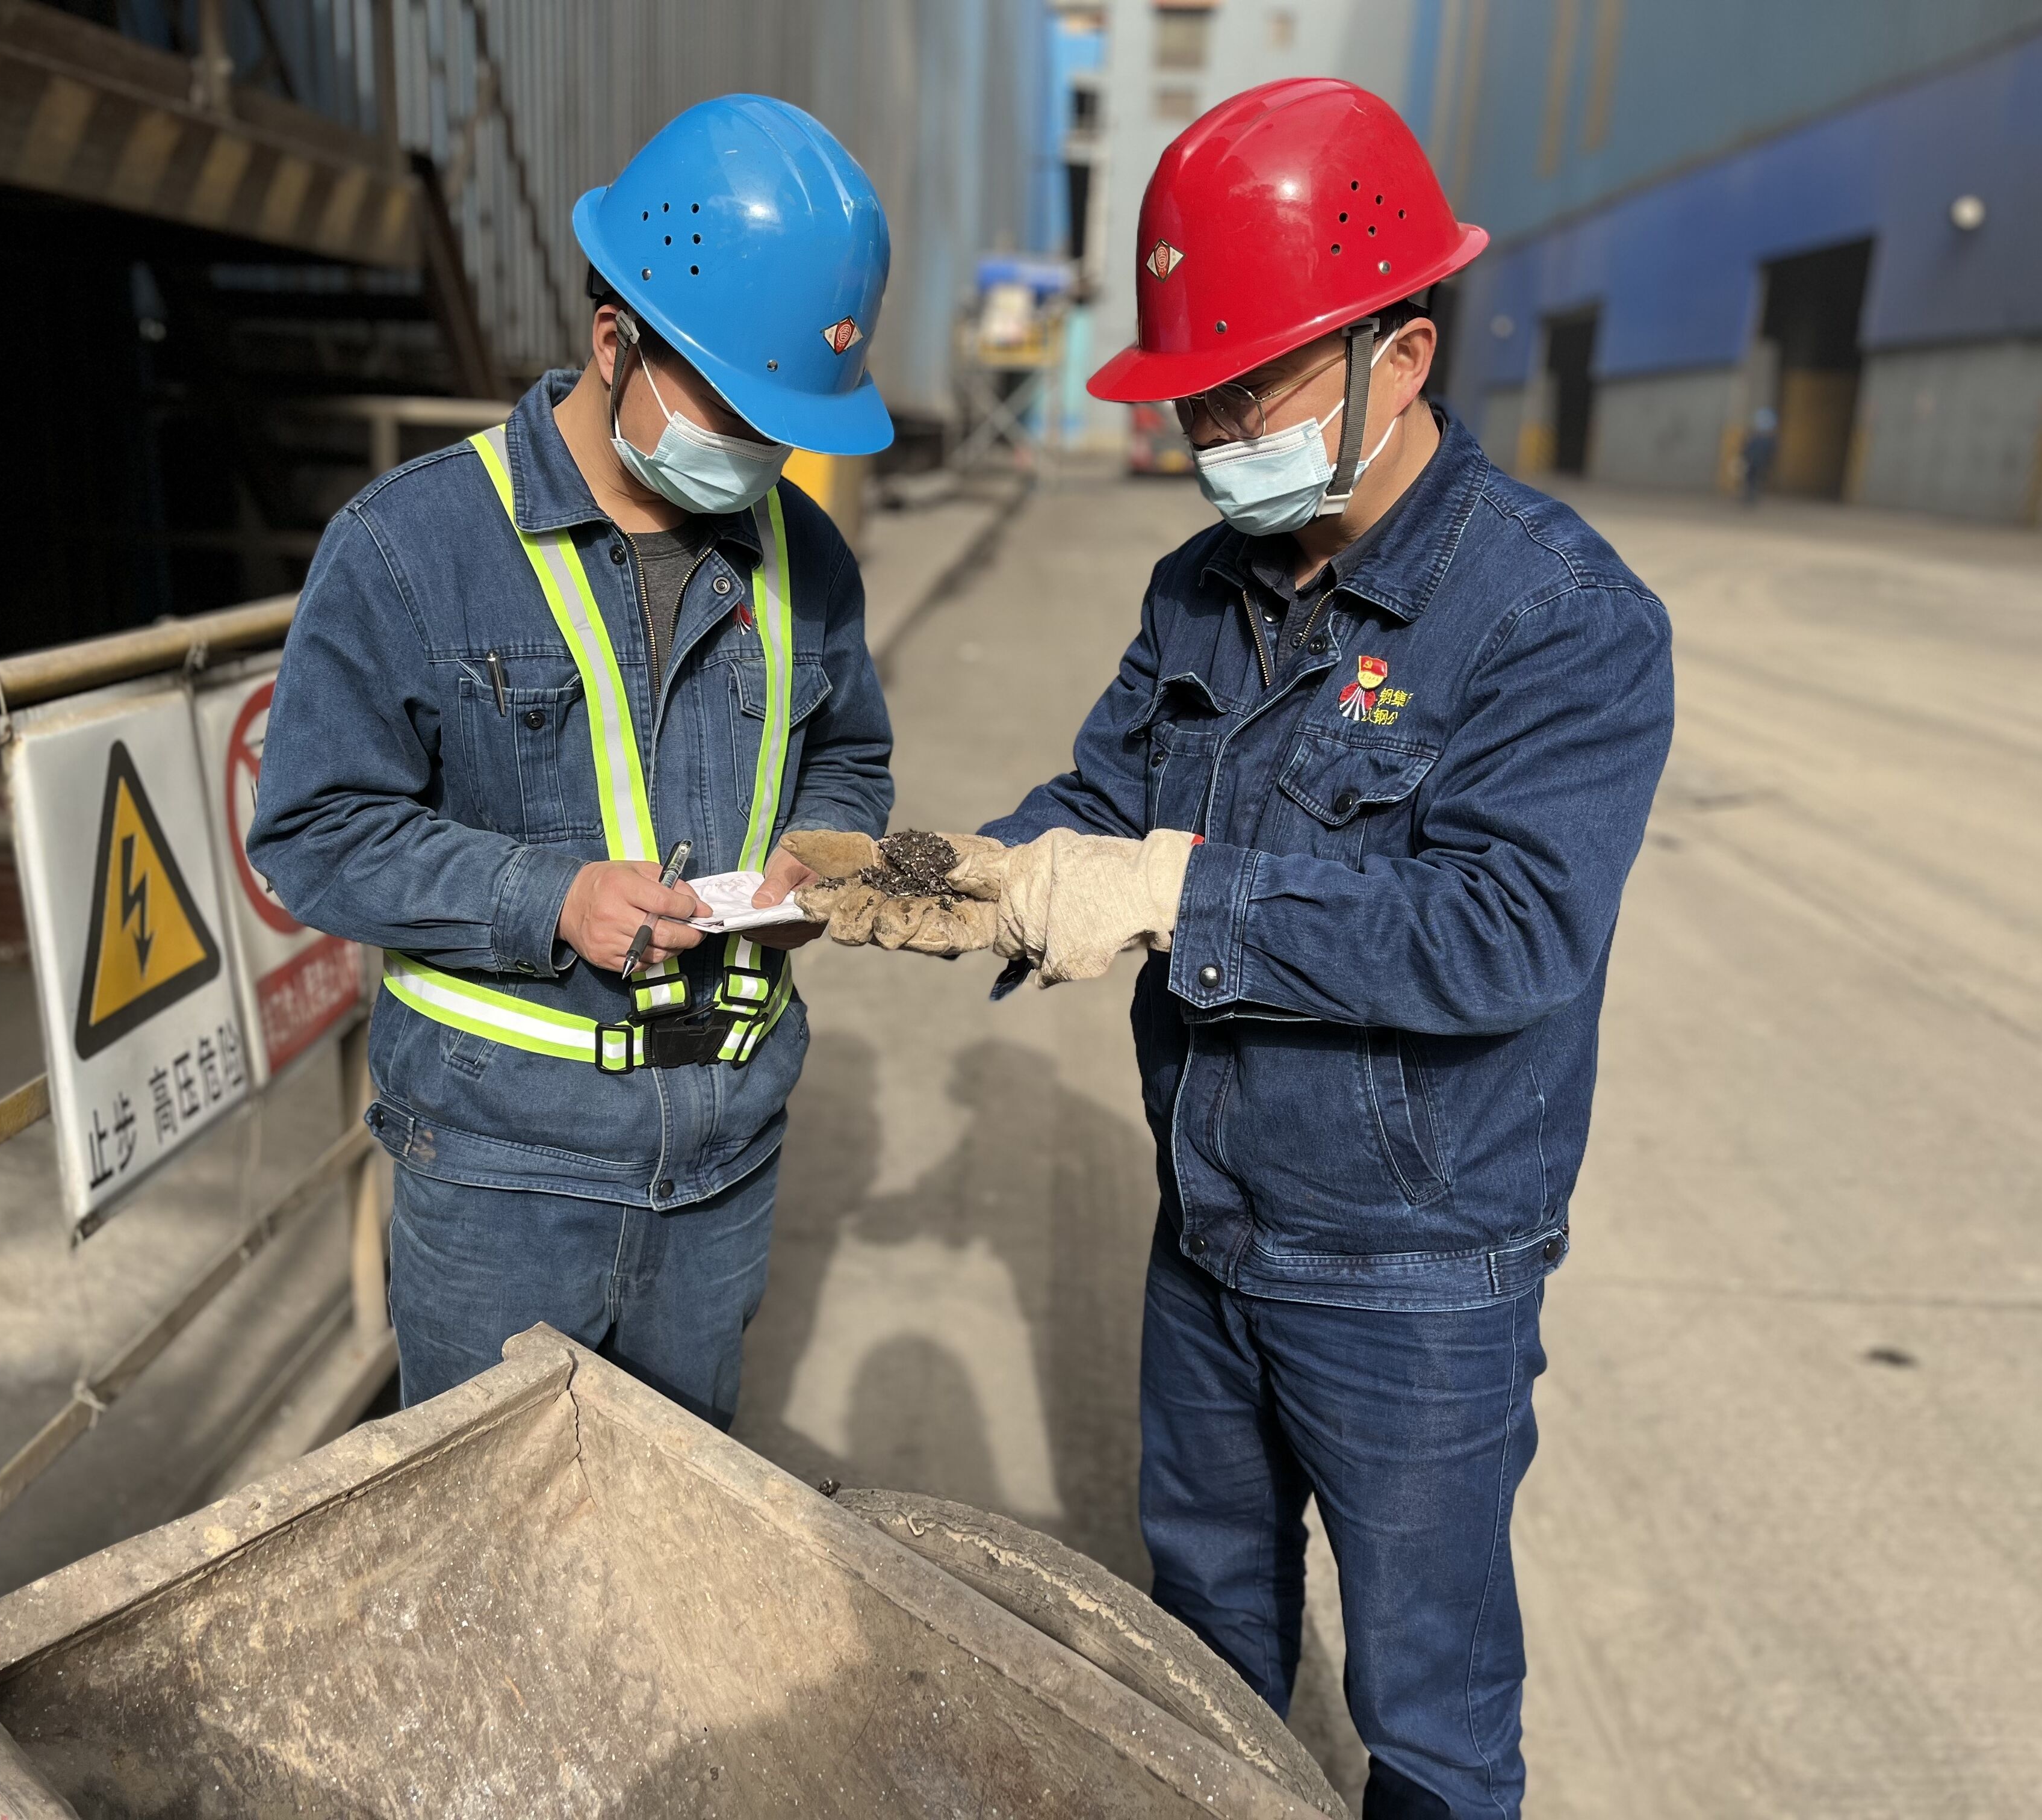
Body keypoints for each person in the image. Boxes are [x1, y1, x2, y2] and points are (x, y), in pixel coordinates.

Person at [796, 79, 1674, 1817]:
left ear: (1400, 356)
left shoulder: (1562, 622)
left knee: (1423, 1708)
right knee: (1195, 1648)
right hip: (1208, 1232)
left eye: (1246, 382)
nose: (1209, 425)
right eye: (1192, 388)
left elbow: (1506, 935)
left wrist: (1176, 894)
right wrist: (976, 871)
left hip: (1416, 1275)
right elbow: (1103, 794)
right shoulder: (1204, 583)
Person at [247, 95, 896, 1429]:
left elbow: (848, 754)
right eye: (737, 406)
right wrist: (546, 897)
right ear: (617, 343)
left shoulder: (807, 557)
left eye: (789, 420)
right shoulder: (409, 549)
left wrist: (816, 856)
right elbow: (312, 831)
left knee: (670, 1556)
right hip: (500, 1173)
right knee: (495, 1568)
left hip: (724, 1162)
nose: (765, 452)